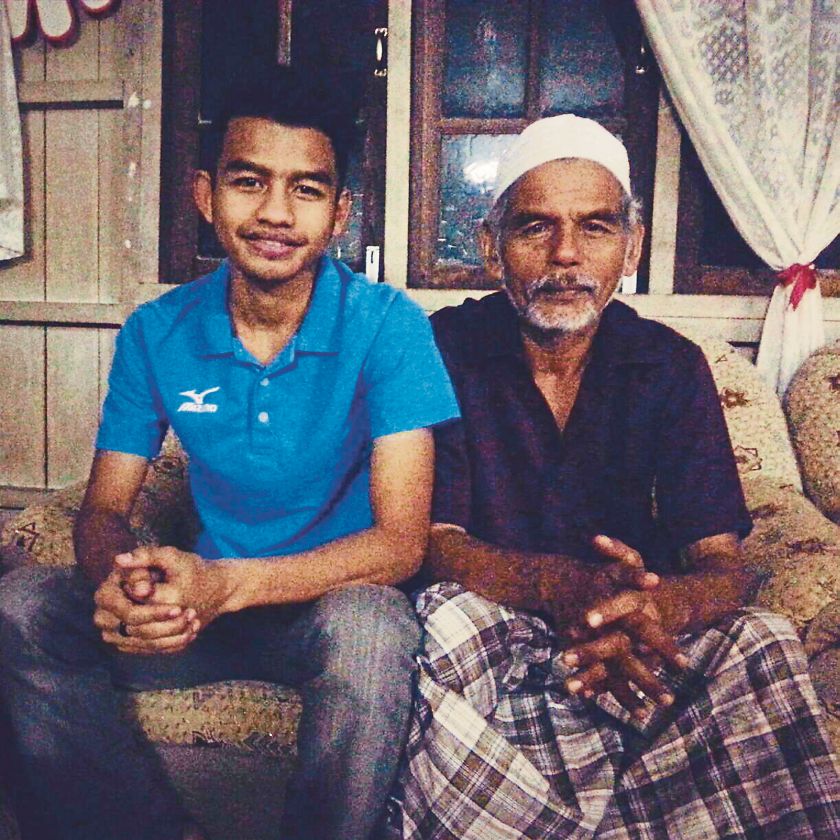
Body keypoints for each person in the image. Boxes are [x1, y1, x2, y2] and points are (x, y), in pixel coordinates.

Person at [0, 68, 459, 840]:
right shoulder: (158, 331)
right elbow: (106, 507)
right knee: (20, 609)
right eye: (250, 181)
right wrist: (128, 576)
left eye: (307, 190)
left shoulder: (390, 326)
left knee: (373, 631)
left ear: (340, 213)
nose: (276, 213)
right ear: (206, 196)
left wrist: (225, 584)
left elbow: (400, 544)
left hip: (325, 609)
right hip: (200, 614)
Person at [394, 115, 840, 839]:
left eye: (596, 228)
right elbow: (432, 542)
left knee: (762, 641)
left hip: (641, 637)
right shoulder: (441, 349)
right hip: (498, 622)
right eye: (535, 227)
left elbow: (725, 564)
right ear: (490, 249)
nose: (566, 255)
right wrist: (557, 587)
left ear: (629, 248)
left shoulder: (672, 366)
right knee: (439, 622)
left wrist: (659, 611)